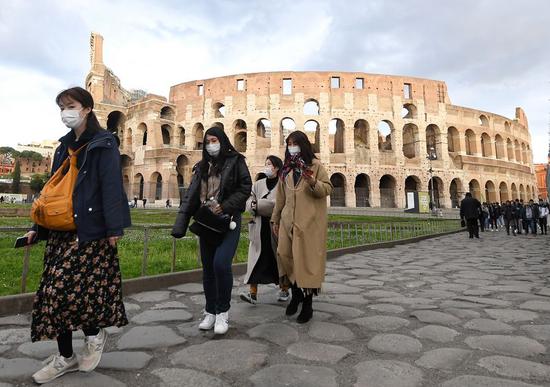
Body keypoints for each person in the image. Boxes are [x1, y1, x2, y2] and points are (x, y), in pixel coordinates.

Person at [24, 87, 130, 384]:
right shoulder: (63, 147)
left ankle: (93, 336)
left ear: (86, 108)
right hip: (61, 232)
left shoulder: (103, 143)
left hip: (91, 231)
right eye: (61, 107)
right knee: (55, 295)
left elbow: (111, 187)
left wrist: (114, 229)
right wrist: (38, 227)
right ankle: (66, 357)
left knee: (71, 293)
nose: (64, 112)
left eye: (69, 106)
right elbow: (52, 192)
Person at [171, 127, 251, 335]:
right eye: (207, 142)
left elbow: (245, 187)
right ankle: (210, 311)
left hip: (228, 220)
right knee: (208, 268)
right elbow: (190, 195)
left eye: (214, 140)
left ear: (222, 141)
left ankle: (223, 311)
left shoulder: (236, 161)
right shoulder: (201, 166)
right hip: (207, 222)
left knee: (221, 264)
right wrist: (181, 223)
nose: (210, 144)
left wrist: (225, 206)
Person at [271, 130, 332, 324]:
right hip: (288, 221)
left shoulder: (316, 166)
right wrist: (275, 219)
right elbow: (280, 197)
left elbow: (327, 189)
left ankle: (307, 304)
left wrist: (312, 181)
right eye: (289, 144)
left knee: (305, 263)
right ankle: (296, 293)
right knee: (285, 256)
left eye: (295, 143)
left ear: (303, 145)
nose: (291, 147)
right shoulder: (286, 170)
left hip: (309, 223)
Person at [241, 156, 290, 304]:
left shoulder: (284, 184)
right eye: (265, 163)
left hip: (276, 227)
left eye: (269, 164)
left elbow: (280, 205)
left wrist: (259, 205)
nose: (266, 166)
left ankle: (284, 289)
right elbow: (249, 201)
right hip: (259, 227)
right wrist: (255, 205)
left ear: (276, 167)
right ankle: (252, 293)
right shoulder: (258, 184)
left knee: (279, 259)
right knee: (256, 260)